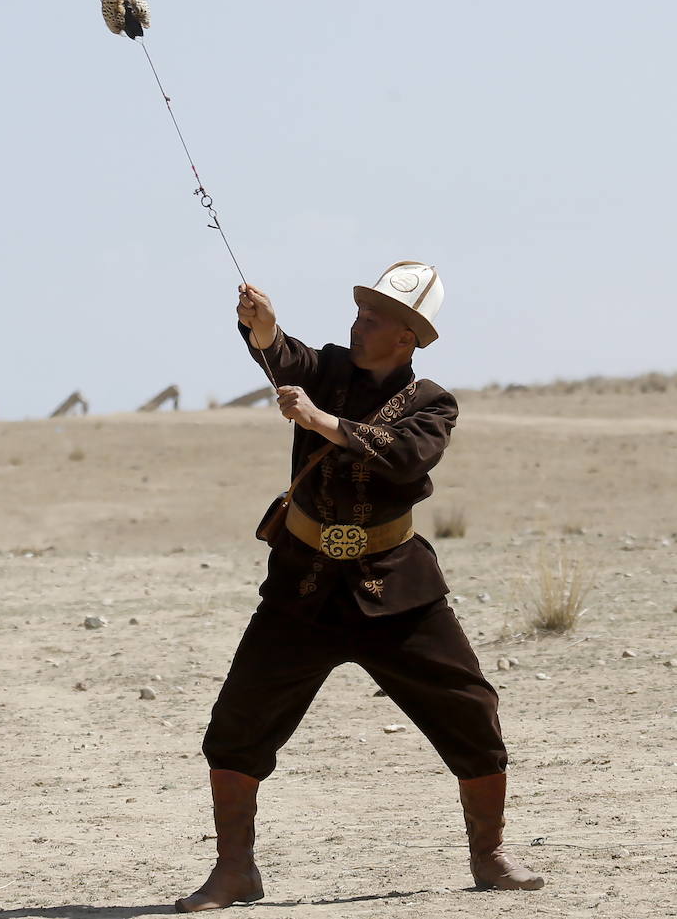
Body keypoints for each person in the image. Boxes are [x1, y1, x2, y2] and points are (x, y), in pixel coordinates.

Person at [177, 263, 543, 912]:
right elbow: (286, 354)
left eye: (374, 316)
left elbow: (404, 456)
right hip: (304, 585)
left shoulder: (433, 402)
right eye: (361, 309)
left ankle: (489, 855)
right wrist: (263, 329)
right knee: (238, 720)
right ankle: (235, 870)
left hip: (396, 587)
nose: (359, 319)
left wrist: (322, 423)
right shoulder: (329, 369)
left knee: (470, 709)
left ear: (406, 336)